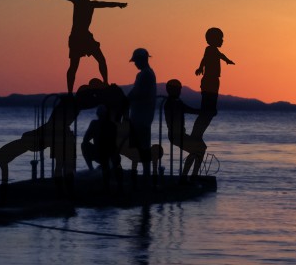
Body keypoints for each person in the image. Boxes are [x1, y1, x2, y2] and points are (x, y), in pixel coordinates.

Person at [34, 0, 127, 93]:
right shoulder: (77, 0)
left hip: (87, 37)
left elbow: (105, 4)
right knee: (74, 66)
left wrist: (118, 4)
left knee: (101, 59)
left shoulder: (92, 4)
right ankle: (69, 93)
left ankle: (106, 83)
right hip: (76, 37)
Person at [0, 95, 78, 191]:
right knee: (57, 155)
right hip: (30, 142)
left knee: (50, 145)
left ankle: (64, 188)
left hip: (30, 142)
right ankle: (64, 188)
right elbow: (2, 173)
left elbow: (4, 174)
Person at [191, 27, 234, 140]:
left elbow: (221, 56)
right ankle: (196, 135)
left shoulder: (214, 50)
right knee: (207, 108)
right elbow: (204, 59)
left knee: (210, 108)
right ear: (213, 39)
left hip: (214, 80)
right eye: (220, 38)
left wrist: (227, 61)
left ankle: (198, 134)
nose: (222, 41)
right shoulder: (209, 49)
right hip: (209, 80)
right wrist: (200, 67)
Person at [163, 79, 208, 185]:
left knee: (201, 148)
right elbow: (187, 109)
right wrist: (202, 112)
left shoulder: (176, 102)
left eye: (180, 89)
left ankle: (191, 175)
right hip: (175, 136)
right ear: (171, 90)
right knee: (198, 150)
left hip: (180, 135)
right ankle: (188, 177)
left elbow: (188, 109)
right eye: (178, 89)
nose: (179, 91)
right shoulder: (170, 103)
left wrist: (202, 112)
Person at [127, 48, 157, 186]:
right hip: (139, 116)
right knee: (139, 148)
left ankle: (146, 177)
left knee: (143, 148)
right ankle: (142, 175)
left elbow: (138, 93)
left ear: (142, 60)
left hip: (142, 117)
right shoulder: (144, 74)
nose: (135, 64)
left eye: (136, 61)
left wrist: (126, 100)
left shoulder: (146, 75)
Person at [82, 105, 123, 192]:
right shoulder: (112, 125)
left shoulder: (95, 124)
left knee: (84, 145)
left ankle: (93, 170)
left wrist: (94, 133)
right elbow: (116, 143)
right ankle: (118, 184)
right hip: (110, 153)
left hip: (103, 153)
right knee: (112, 160)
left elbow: (86, 139)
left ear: (98, 114)